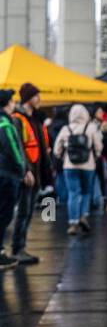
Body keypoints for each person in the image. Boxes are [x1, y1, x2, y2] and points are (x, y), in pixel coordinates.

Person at [9, 83, 55, 264]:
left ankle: (21, 247)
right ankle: (17, 248)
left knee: (27, 212)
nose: (40, 99)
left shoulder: (35, 119)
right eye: (36, 96)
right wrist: (26, 170)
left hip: (37, 172)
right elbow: (19, 147)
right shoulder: (18, 119)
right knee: (23, 211)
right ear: (28, 98)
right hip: (27, 173)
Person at [52, 103, 103, 236]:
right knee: (86, 192)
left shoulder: (66, 128)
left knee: (73, 193)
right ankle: (83, 217)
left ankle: (73, 223)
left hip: (70, 166)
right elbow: (98, 146)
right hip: (88, 166)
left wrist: (63, 158)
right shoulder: (91, 128)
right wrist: (95, 156)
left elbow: (56, 149)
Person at [0, 90, 35, 269]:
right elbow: (14, 150)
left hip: (5, 173)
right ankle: (9, 251)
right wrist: (23, 170)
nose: (14, 104)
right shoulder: (6, 124)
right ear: (7, 103)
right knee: (6, 213)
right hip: (9, 175)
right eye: (12, 101)